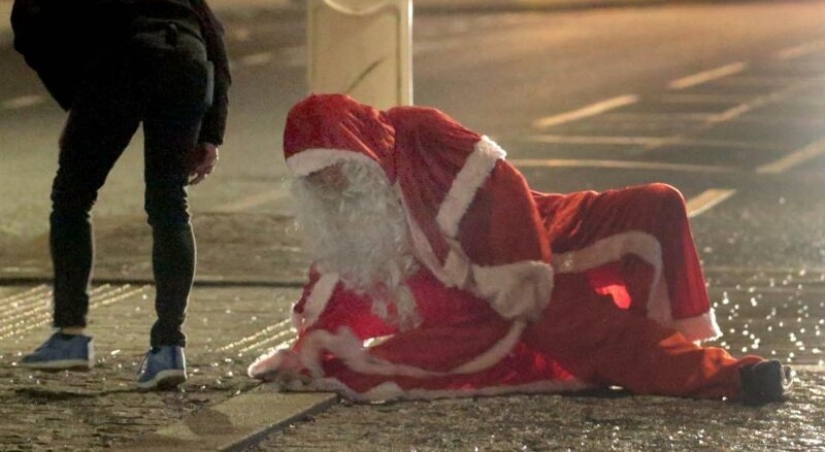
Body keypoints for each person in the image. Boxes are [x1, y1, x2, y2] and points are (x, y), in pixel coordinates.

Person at [248, 93, 793, 405]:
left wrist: (520, 277)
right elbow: (337, 281)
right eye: (319, 179)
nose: (334, 187)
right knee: (598, 338)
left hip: (528, 256)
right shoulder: (348, 209)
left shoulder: (416, 132)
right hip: (471, 307)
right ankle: (730, 374)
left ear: (356, 148)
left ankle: (707, 358)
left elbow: (502, 184)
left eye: (336, 171)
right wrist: (307, 342)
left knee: (654, 210)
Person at [11, 0, 231, 389]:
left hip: (121, 59)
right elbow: (216, 44)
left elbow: (29, 34)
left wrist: (75, 102)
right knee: (170, 203)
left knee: (72, 197)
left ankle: (71, 335)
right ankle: (169, 348)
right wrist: (211, 135)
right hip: (186, 61)